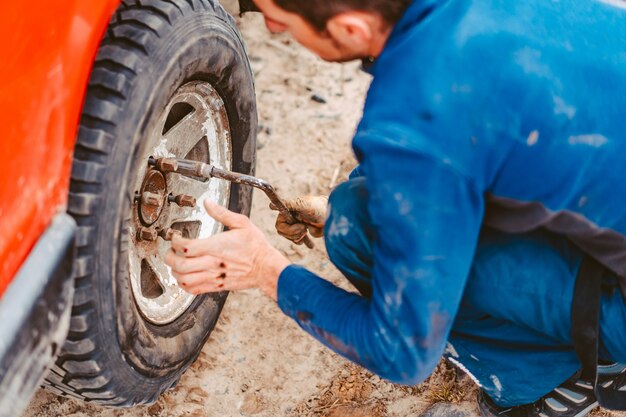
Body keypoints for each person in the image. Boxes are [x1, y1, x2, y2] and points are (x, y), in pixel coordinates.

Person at [164, 0, 626, 415]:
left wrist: (265, 270)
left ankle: (555, 384)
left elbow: (402, 353)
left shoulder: (415, 115)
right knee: (358, 203)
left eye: (278, 20)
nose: (271, 28)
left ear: (349, 29)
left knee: (358, 231)